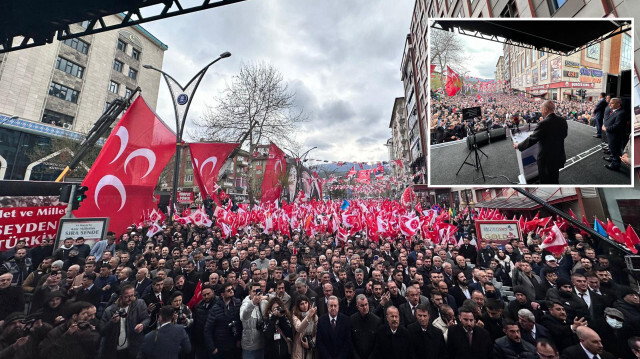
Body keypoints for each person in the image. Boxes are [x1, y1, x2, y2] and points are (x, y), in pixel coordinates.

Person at [513, 100, 568, 184]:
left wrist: (519, 145)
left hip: (546, 160)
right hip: (558, 156)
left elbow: (532, 139)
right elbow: (564, 135)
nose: (541, 111)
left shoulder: (543, 123)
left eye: (541, 109)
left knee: (545, 180)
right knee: (555, 176)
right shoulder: (562, 120)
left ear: (546, 109)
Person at [99, 284, 150, 359]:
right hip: (115, 350)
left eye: (132, 295)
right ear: (120, 297)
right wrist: (112, 322)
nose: (130, 299)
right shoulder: (109, 310)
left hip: (134, 346)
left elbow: (147, 319)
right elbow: (102, 331)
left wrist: (142, 325)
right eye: (127, 297)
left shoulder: (140, 304)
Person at [204, 282, 242, 359]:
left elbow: (240, 323)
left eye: (232, 289)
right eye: (228, 290)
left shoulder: (237, 303)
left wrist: (239, 339)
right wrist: (212, 348)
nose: (231, 291)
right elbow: (207, 329)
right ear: (222, 294)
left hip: (234, 344)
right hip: (220, 346)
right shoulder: (215, 309)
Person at [240, 281, 266, 359]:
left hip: (261, 343)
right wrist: (252, 303)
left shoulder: (262, 303)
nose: (256, 293)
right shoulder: (246, 303)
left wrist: (267, 297)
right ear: (249, 292)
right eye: (254, 291)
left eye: (258, 291)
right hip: (250, 346)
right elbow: (243, 317)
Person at [602, 97, 627, 171]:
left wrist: (606, 128)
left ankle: (615, 164)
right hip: (610, 134)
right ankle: (612, 158)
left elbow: (617, 126)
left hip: (615, 135)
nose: (609, 104)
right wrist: (605, 125)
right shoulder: (613, 110)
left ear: (618, 104)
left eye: (612, 103)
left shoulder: (621, 113)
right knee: (611, 148)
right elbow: (608, 120)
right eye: (610, 102)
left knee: (615, 150)